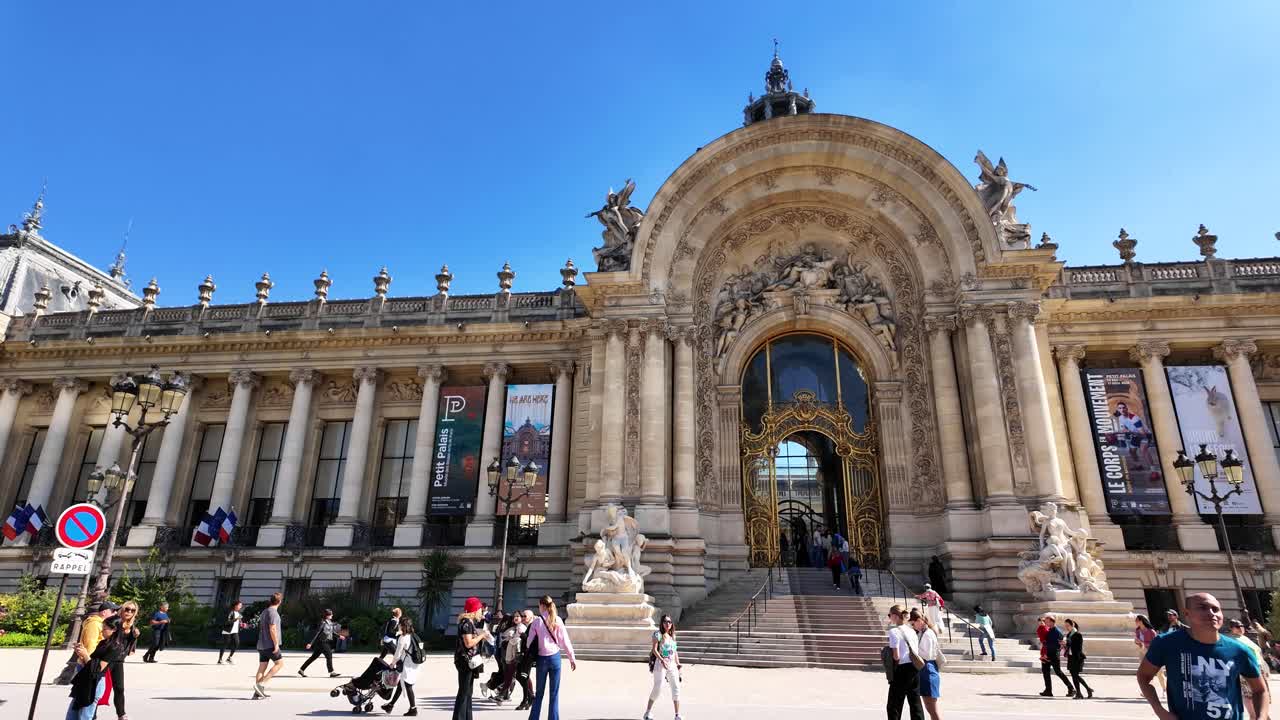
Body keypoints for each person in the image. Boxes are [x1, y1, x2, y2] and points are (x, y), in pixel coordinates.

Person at [1139, 592, 1268, 720]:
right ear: (1187, 613)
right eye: (1202, 607)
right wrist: (1161, 712)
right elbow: (1143, 676)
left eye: (1216, 609)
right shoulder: (1166, 643)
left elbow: (1260, 690)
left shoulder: (1240, 650)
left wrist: (1261, 717)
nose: (1211, 613)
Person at [526, 594, 577, 720]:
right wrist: (572, 658)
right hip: (555, 658)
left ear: (542, 605)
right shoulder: (557, 620)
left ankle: (534, 718)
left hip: (542, 658)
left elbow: (528, 643)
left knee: (539, 693)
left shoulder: (537, 621)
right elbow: (565, 641)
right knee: (554, 694)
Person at [67, 616, 125, 720]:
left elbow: (99, 668)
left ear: (114, 629)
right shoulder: (103, 643)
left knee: (85, 717)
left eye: (105, 628)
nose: (102, 631)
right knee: (72, 716)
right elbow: (90, 661)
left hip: (95, 683)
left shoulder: (116, 647)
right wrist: (81, 652)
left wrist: (85, 655)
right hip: (85, 680)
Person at [886, 604, 924, 720]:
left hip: (901, 669)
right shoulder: (912, 631)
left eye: (889, 615)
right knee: (915, 702)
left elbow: (896, 656)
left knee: (894, 704)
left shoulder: (894, 632)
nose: (889, 618)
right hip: (914, 667)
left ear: (895, 616)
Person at [453, 596, 488, 720]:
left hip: (466, 660)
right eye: (480, 609)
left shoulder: (468, 623)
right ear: (474, 610)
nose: (481, 612)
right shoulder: (467, 623)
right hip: (465, 661)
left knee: (468, 692)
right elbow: (468, 643)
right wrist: (481, 636)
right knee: (464, 692)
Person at [643, 615, 682, 720]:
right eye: (665, 621)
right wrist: (661, 660)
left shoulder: (672, 636)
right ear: (661, 623)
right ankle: (647, 712)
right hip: (660, 664)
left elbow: (675, 652)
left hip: (672, 665)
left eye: (669, 622)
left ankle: (677, 715)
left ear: (671, 624)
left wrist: (678, 664)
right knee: (658, 687)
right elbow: (654, 650)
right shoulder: (658, 634)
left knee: (676, 688)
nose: (667, 624)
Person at [384, 616, 422, 716]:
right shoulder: (413, 635)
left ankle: (413, 709)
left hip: (408, 664)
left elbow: (398, 653)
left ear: (402, 626)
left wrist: (392, 663)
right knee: (402, 684)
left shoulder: (403, 638)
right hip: (415, 663)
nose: (398, 626)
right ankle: (390, 705)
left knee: (408, 685)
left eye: (400, 624)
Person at [110, 600, 141, 720]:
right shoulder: (114, 622)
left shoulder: (132, 626)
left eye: (132, 610)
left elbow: (129, 646)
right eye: (127, 609)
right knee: (98, 688)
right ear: (122, 609)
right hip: (106, 658)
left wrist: (134, 636)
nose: (129, 612)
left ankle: (121, 714)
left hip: (118, 660)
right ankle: (91, 713)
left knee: (119, 688)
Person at [910, 609, 943, 720]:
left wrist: (913, 651)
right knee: (930, 708)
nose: (913, 626)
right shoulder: (922, 632)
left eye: (913, 623)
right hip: (925, 669)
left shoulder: (927, 634)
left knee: (932, 710)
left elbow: (927, 655)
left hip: (928, 669)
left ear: (919, 621)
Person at [253, 592, 285, 700]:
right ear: (280, 601)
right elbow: (272, 628)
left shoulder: (264, 612)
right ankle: (261, 685)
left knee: (262, 667)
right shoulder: (273, 613)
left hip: (261, 644)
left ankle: (257, 693)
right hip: (270, 644)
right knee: (279, 664)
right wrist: (276, 644)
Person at [1038, 614, 1074, 697]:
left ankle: (1071, 688)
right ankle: (1048, 690)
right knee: (1045, 672)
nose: (1045, 623)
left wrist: (1045, 644)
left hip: (1053, 654)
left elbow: (1056, 645)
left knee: (1058, 672)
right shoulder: (1050, 630)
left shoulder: (1057, 631)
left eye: (1046, 621)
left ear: (1051, 622)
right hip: (1047, 654)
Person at [299, 608, 341, 678]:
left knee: (313, 657)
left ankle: (301, 670)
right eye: (331, 614)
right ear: (327, 615)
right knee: (329, 655)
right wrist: (310, 643)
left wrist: (339, 636)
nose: (332, 615)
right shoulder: (322, 623)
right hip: (322, 642)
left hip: (324, 642)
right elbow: (317, 633)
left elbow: (332, 632)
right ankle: (332, 672)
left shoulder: (329, 623)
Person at [514, 610, 538, 711]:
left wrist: (523, 635)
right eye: (522, 616)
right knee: (520, 676)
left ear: (531, 617)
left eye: (525, 616)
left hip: (529, 656)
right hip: (523, 655)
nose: (523, 617)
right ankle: (530, 696)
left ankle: (526, 700)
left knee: (523, 676)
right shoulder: (526, 626)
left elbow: (533, 641)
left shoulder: (534, 625)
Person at [1063, 619, 1093, 699]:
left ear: (1072, 625)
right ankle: (1087, 689)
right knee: (1075, 676)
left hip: (1077, 658)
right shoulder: (1069, 635)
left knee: (1075, 676)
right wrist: (1064, 645)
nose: (1066, 627)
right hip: (1071, 657)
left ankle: (1079, 693)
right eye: (1065, 626)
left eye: (1067, 626)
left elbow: (1078, 648)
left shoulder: (1078, 634)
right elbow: (1069, 646)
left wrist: (1068, 643)